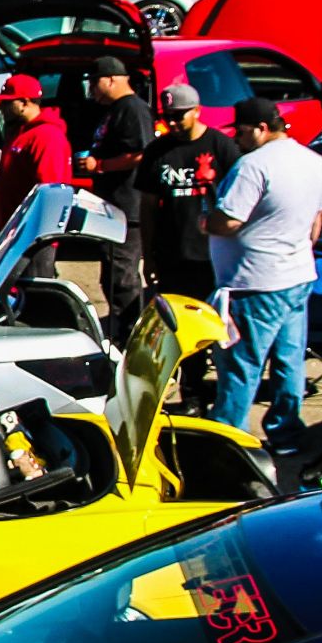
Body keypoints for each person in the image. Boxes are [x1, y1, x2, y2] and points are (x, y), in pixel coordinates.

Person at [206, 97, 322, 455]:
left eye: (241, 132)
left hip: (254, 282)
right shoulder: (314, 161)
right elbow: (315, 225)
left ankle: (229, 440)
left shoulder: (252, 167)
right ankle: (286, 432)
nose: (237, 139)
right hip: (297, 275)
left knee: (241, 364)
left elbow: (228, 220)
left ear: (261, 129)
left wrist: (205, 221)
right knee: (289, 360)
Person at [135, 83, 241, 414]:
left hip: (214, 257)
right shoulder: (157, 151)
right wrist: (148, 255)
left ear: (197, 111)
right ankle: (191, 394)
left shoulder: (222, 148)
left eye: (180, 116)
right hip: (173, 255)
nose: (175, 123)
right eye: (169, 117)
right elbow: (148, 207)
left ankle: (220, 393)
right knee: (180, 331)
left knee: (219, 329)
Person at [77, 56, 155, 341]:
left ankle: (131, 337)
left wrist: (100, 165)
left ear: (111, 79)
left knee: (122, 279)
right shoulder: (114, 110)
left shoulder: (133, 109)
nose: (92, 90)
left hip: (128, 210)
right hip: (112, 209)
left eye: (95, 82)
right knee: (110, 277)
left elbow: (142, 154)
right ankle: (122, 331)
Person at [0, 74, 72, 276]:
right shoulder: (20, 133)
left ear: (25, 103)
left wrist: (36, 236)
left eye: (8, 103)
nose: (2, 108)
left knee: (35, 297)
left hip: (32, 239)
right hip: (13, 236)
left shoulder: (46, 137)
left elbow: (50, 193)